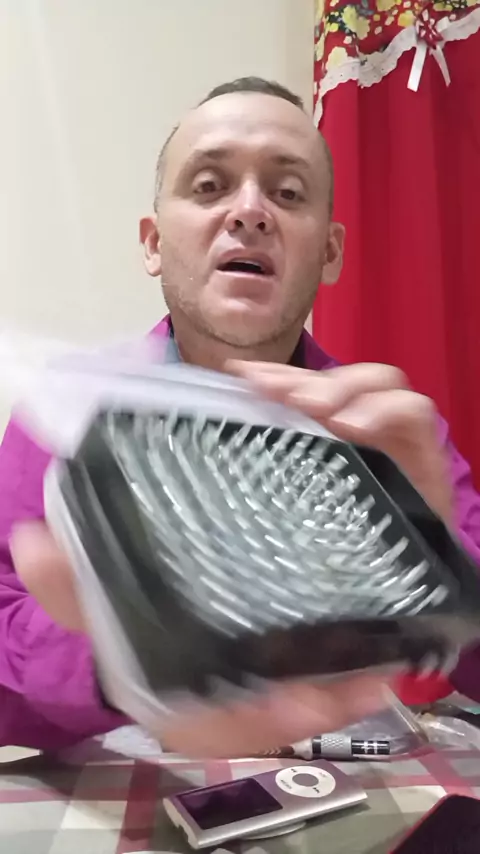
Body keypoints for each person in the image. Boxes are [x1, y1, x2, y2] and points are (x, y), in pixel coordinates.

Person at [2, 77, 480, 757]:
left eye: (288, 193)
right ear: (153, 243)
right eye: (209, 186)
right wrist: (128, 651)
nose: (250, 211)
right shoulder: (62, 418)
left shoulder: (391, 437)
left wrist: (443, 579)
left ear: (331, 252)